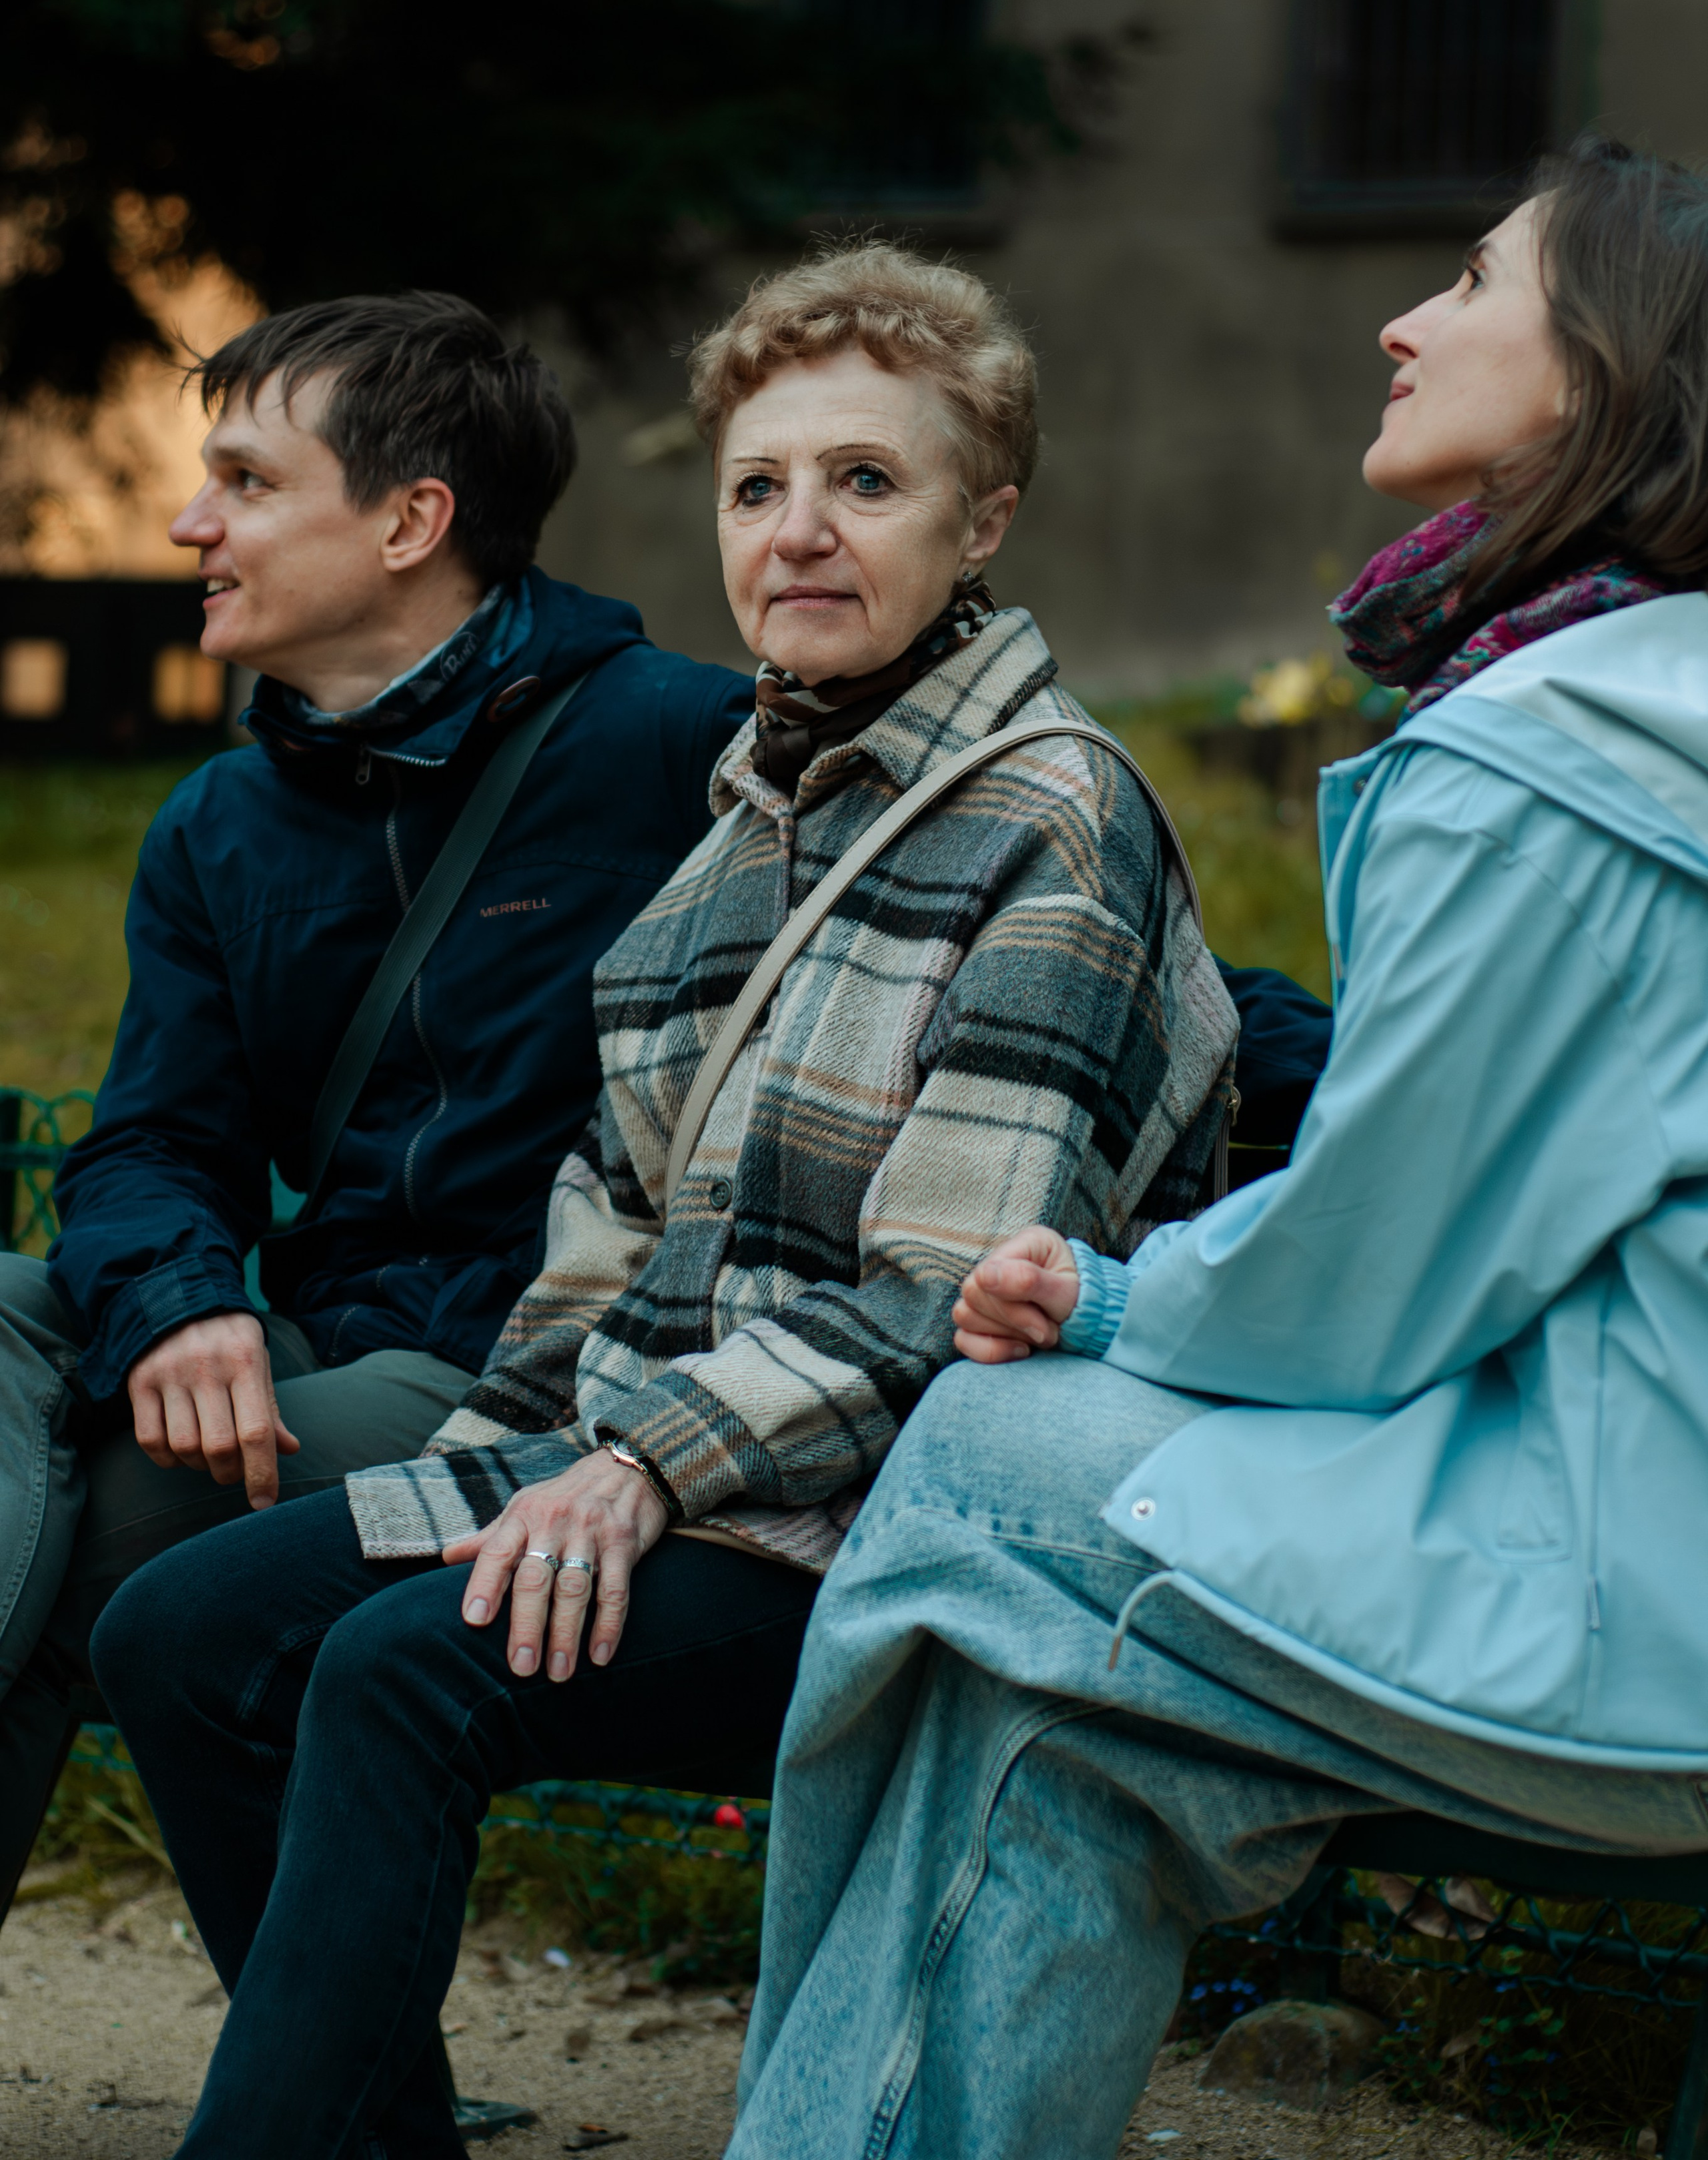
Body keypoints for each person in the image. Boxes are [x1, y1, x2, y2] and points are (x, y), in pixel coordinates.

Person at [93, 239, 1243, 2160]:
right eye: (758, 487)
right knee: (182, 1635)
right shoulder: (738, 831)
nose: (799, 533)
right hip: (666, 1466)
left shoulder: (1050, 817)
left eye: (867, 483)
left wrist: (630, 1473)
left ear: (986, 527)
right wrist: (502, 1461)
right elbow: (609, 1239)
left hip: (888, 1528)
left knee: (399, 1674)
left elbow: (954, 1301)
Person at [720, 136, 1708, 2160]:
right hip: (1623, 1495)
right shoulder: (1645, 703)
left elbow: (1369, 1279)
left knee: (984, 1468)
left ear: (1610, 364)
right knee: (1066, 1744)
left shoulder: (1553, 766)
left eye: (1473, 280)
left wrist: (1100, 1288)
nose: (1402, 318)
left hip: (1644, 1598)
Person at [0, 290, 752, 1910]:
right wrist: (184, 1303)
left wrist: (1348, 1059)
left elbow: (1040, 912)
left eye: (250, 483)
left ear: (412, 520)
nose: (193, 522)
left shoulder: (683, 746)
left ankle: (327, 2086)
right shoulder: (221, 819)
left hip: (517, 1370)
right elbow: (149, 1143)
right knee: (1, 1309)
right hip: (307, 1328)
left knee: (104, 1523)